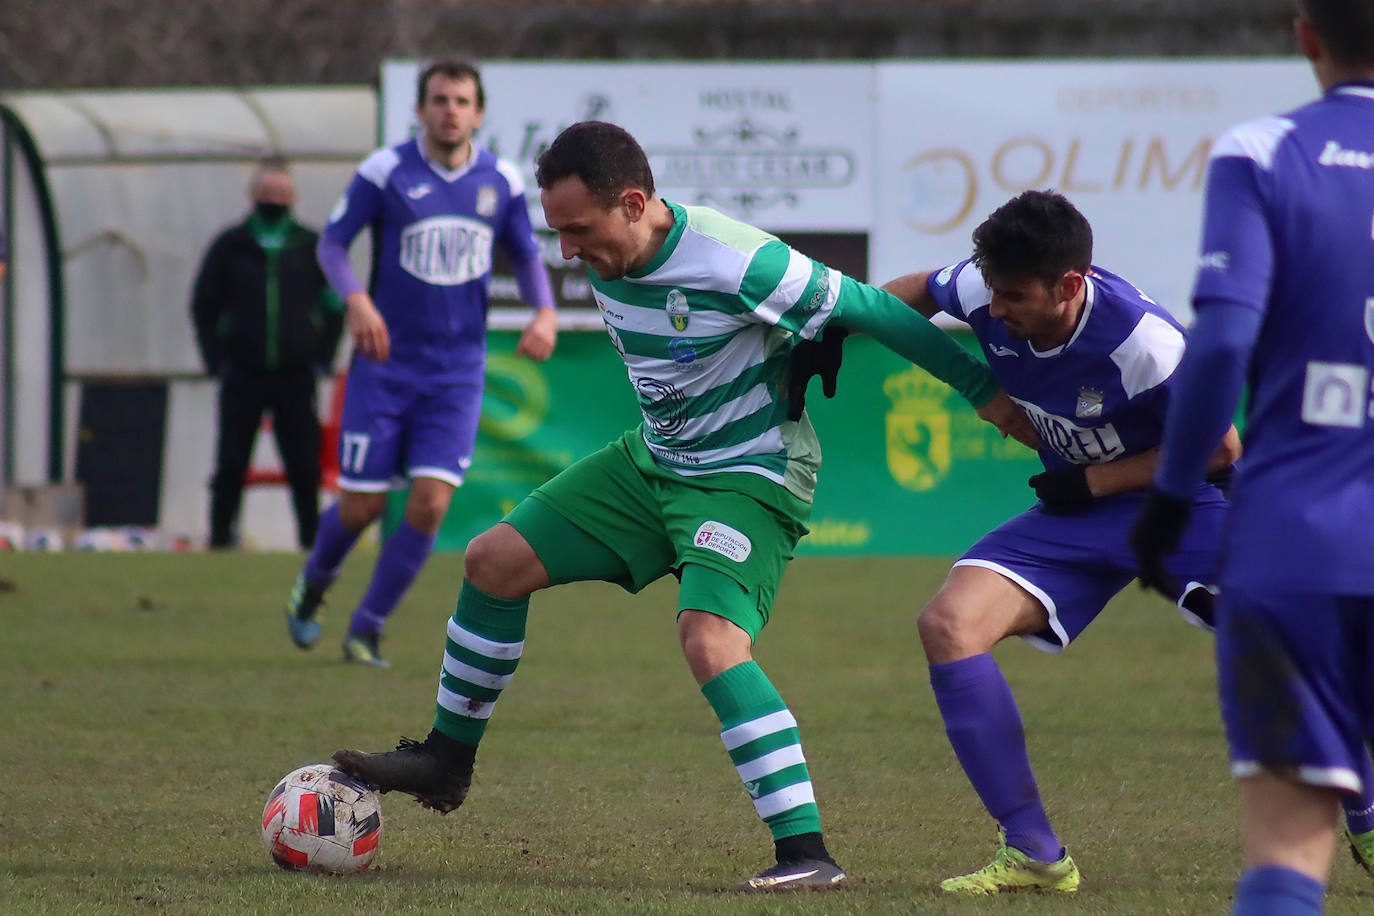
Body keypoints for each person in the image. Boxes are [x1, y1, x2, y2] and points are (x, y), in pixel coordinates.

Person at [329, 120, 1038, 892]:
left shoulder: (737, 258)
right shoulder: (610, 247)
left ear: (634, 204)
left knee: (709, 639)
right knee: (491, 560)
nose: (566, 250)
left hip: (749, 476)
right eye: (556, 231)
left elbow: (872, 306)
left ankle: (807, 854)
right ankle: (447, 757)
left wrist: (984, 394)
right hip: (654, 462)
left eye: (578, 230)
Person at [882, 189, 1244, 895]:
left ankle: (1365, 818)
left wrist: (1098, 482)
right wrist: (829, 331)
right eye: (993, 292)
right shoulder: (986, 290)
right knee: (948, 625)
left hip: (1183, 501)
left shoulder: (1144, 343)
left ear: (1070, 285)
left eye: (1015, 297)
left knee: (1296, 648)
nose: (999, 311)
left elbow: (1221, 448)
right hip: (1081, 512)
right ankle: (1035, 853)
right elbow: (905, 295)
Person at [1131, 2, 1374, 911]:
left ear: (1306, 33)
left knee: (1288, 850)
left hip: (1296, 546)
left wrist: (1167, 499)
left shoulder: (1265, 153)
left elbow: (1224, 342)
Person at [284, 60, 559, 668]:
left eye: (462, 100)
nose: (450, 110)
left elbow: (526, 252)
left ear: (479, 113)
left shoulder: (501, 182)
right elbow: (332, 244)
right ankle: (314, 584)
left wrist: (544, 310)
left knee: (431, 502)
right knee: (362, 506)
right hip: (385, 366)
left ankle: (367, 628)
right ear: (421, 109)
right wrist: (356, 299)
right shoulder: (386, 171)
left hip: (457, 371)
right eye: (439, 99)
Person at [191, 155, 344, 550]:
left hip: (295, 375)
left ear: (292, 197)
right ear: (252, 195)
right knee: (230, 461)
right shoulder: (230, 246)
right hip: (242, 373)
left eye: (281, 192)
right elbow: (203, 307)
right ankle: (221, 541)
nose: (273, 198)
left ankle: (311, 545)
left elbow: (335, 307)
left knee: (304, 465)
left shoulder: (310, 246)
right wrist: (217, 361)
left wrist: (320, 357)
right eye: (266, 191)